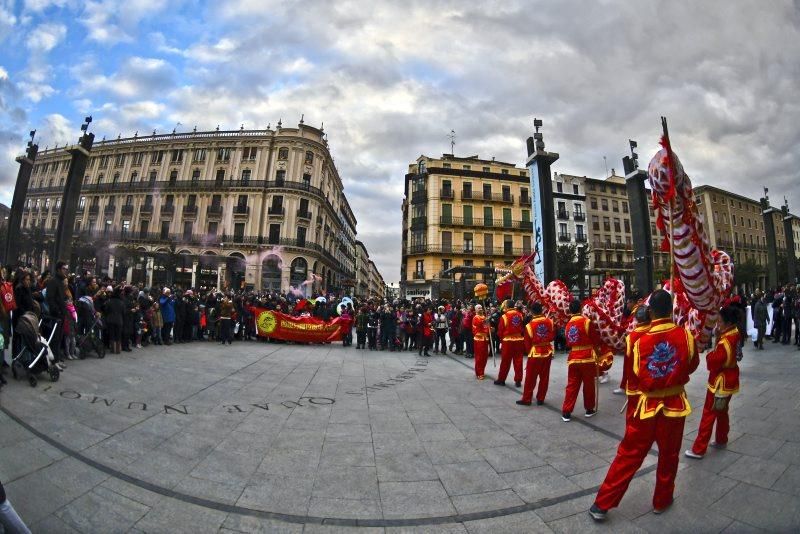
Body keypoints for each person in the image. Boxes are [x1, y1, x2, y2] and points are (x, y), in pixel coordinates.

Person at [589, 290, 699, 521]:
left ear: (650, 311)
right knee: (669, 455)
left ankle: (602, 504)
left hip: (646, 406)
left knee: (628, 454)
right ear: (671, 310)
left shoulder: (639, 341)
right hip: (675, 406)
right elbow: (692, 365)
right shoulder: (686, 336)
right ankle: (662, 500)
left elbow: (635, 375)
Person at [685, 305, 741, 459]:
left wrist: (710, 355)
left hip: (720, 383)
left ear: (728, 323)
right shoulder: (734, 332)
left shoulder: (725, 342)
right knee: (722, 412)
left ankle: (699, 449)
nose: (718, 323)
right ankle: (722, 438)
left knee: (709, 414)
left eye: (721, 321)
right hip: (730, 380)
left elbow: (715, 361)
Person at [561, 299, 599, 421]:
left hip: (573, 357)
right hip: (587, 357)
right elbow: (595, 339)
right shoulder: (587, 322)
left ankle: (566, 411)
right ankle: (589, 409)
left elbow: (567, 342)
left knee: (572, 385)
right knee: (588, 385)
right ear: (581, 308)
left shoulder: (568, 325)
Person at [517, 302, 554, 406]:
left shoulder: (529, 326)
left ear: (531, 312)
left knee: (530, 378)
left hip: (535, 353)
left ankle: (527, 399)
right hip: (547, 352)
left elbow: (527, 344)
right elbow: (551, 337)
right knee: (544, 377)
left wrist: (530, 352)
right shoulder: (549, 322)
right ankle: (541, 398)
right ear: (541, 310)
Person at [494, 300, 525, 387]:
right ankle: (518, 380)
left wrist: (501, 340)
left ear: (507, 306)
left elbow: (500, 331)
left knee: (505, 361)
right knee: (518, 361)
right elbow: (522, 327)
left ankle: (502, 379)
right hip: (519, 339)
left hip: (508, 341)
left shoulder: (504, 316)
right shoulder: (520, 315)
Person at [471, 304, 490, 379]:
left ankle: (482, 371)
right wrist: (486, 321)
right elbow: (480, 324)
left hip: (485, 339)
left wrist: (490, 328)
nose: (481, 309)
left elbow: (486, 327)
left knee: (485, 357)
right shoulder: (476, 317)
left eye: (481, 308)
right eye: (479, 308)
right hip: (479, 340)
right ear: (475, 310)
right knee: (479, 357)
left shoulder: (484, 317)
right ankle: (479, 373)